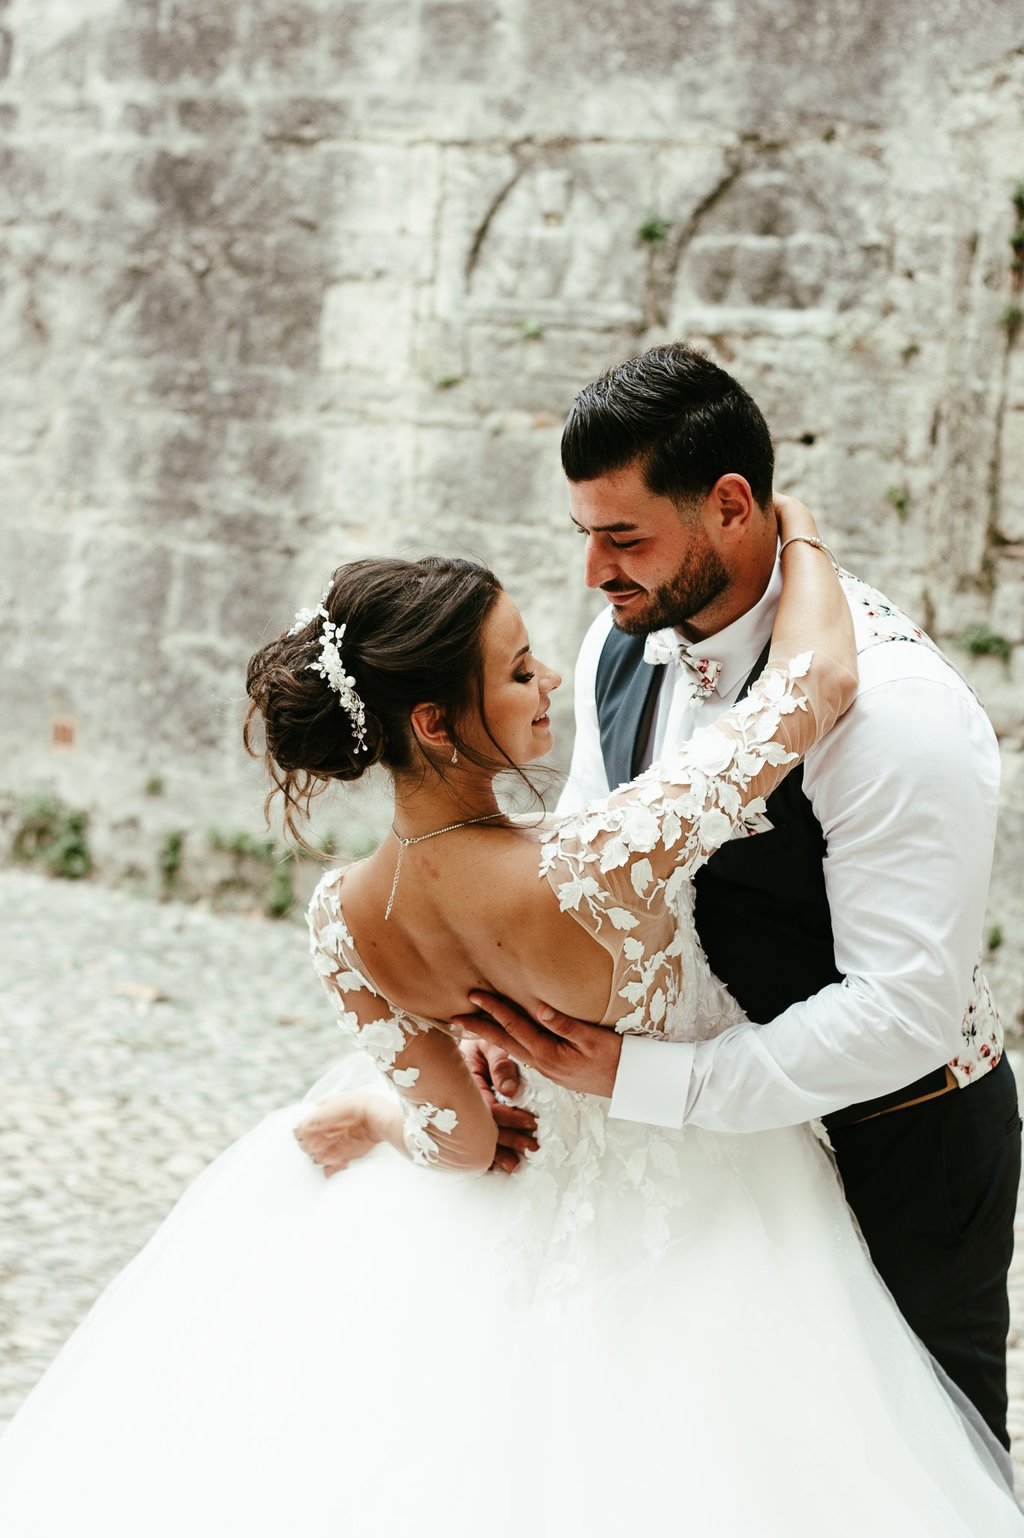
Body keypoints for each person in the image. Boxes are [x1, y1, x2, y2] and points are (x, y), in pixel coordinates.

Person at [0, 508, 1021, 1537]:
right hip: (721, 1210)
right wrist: (794, 531)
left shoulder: (343, 918)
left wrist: (378, 1115)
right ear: (437, 722)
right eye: (520, 668)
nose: (550, 682)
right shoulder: (605, 856)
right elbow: (815, 684)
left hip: (537, 1221)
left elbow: (466, 1139)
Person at [454, 341, 1020, 1453]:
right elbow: (582, 860)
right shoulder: (621, 642)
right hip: (709, 1156)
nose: (594, 572)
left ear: (727, 506)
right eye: (585, 534)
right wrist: (512, 1018)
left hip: (893, 1145)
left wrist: (654, 1080)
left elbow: (902, 1009)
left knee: (906, 1468)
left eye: (624, 537)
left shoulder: (896, 714)